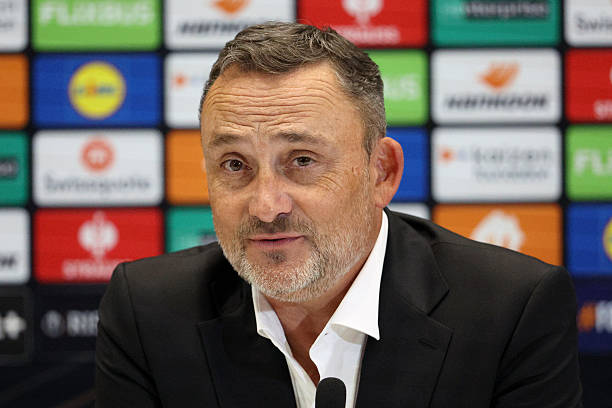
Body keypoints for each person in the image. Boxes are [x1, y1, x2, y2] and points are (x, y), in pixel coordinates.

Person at [95, 22, 582, 408]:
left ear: (381, 172)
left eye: (302, 160)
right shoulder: (149, 311)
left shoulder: (511, 311)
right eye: (235, 165)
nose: (266, 206)